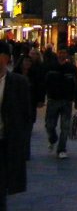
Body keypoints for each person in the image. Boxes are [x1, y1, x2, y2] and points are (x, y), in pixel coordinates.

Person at [1, 40, 32, 210]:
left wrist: (22, 142)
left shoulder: (18, 82)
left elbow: (25, 114)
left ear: (6, 59)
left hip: (7, 141)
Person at [44, 46, 77, 158]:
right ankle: (53, 138)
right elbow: (44, 82)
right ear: (57, 53)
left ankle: (61, 149)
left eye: (64, 52)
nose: (62, 55)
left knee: (65, 126)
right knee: (49, 125)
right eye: (60, 52)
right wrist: (42, 97)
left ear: (67, 54)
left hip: (66, 100)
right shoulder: (51, 67)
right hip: (53, 100)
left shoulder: (71, 68)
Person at [14, 54, 45, 160]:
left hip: (30, 106)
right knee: (18, 131)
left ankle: (25, 153)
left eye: (29, 62)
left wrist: (40, 100)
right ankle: (18, 151)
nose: (27, 64)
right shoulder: (15, 74)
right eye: (26, 61)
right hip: (17, 107)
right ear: (21, 62)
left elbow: (40, 87)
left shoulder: (34, 75)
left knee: (28, 130)